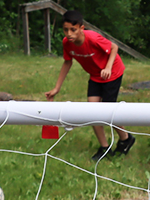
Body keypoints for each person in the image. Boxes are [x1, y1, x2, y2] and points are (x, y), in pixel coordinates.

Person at [45, 9, 135, 161]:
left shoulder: (92, 38)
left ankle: (126, 139)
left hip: (112, 73)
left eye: (73, 30)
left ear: (81, 28)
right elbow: (67, 62)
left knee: (108, 112)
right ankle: (105, 148)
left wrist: (107, 67)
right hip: (95, 76)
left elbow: (114, 47)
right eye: (65, 30)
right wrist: (57, 88)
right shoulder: (67, 43)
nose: (69, 34)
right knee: (92, 112)